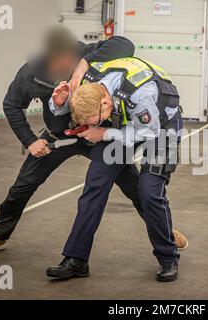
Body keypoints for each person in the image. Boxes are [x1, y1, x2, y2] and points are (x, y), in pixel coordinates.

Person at [0, 26, 187, 255]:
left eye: (70, 57)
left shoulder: (86, 55)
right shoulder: (31, 74)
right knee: (23, 185)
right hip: (58, 137)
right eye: (60, 59)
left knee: (135, 186)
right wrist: (30, 140)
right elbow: (11, 105)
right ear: (48, 56)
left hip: (99, 134)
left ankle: (166, 231)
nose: (66, 63)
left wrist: (83, 64)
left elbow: (125, 45)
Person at [46, 57, 183, 282]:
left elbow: (148, 132)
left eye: (94, 121)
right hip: (123, 123)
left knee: (149, 192)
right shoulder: (87, 87)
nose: (90, 126)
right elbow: (74, 110)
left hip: (159, 128)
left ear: (106, 104)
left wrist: (105, 133)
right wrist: (59, 103)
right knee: (95, 185)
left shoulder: (142, 95)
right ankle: (76, 259)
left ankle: (168, 257)